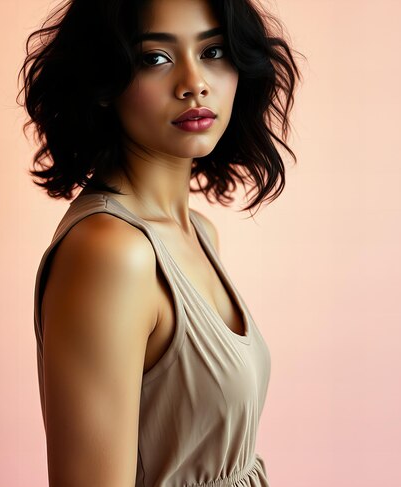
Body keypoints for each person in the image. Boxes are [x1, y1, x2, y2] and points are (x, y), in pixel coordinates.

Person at [18, 0, 302, 485]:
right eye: (156, 58)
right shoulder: (112, 253)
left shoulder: (199, 235)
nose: (194, 82)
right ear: (105, 81)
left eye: (213, 50)